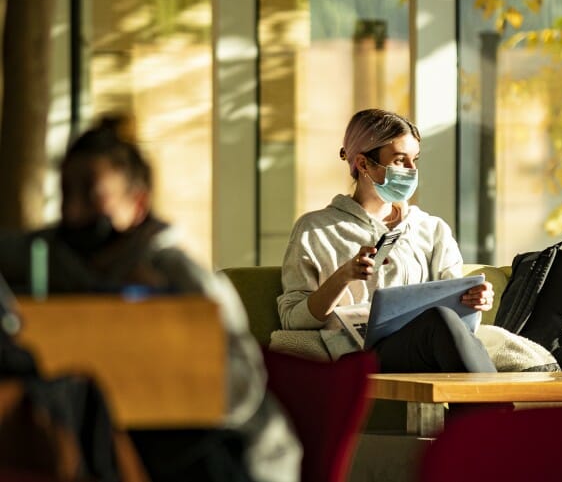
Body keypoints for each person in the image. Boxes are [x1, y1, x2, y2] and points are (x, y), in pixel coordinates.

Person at [0, 115, 301, 482]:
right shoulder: (53, 252)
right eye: (66, 194)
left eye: (92, 196)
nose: (72, 211)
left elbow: (241, 380)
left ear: (138, 204)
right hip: (119, 446)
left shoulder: (176, 271)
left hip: (228, 452)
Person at [278, 108, 497, 372]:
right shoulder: (315, 229)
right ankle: (493, 413)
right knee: (439, 321)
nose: (411, 170)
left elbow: (457, 312)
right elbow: (293, 320)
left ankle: (485, 412)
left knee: (443, 321)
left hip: (427, 345)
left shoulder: (431, 229)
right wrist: (343, 276)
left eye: (415, 159)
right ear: (363, 163)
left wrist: (475, 300)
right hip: (359, 352)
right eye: (399, 160)